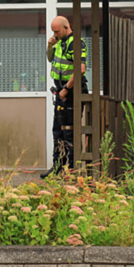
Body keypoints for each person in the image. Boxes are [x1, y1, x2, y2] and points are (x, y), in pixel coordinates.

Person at [40, 16, 88, 179]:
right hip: (61, 92)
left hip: (72, 91)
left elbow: (80, 69)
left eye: (57, 31)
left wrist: (67, 89)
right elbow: (50, 59)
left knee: (70, 131)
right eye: (53, 31)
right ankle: (58, 167)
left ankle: (72, 169)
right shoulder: (59, 43)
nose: (55, 34)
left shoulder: (76, 43)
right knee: (58, 130)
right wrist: (50, 45)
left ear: (67, 28)